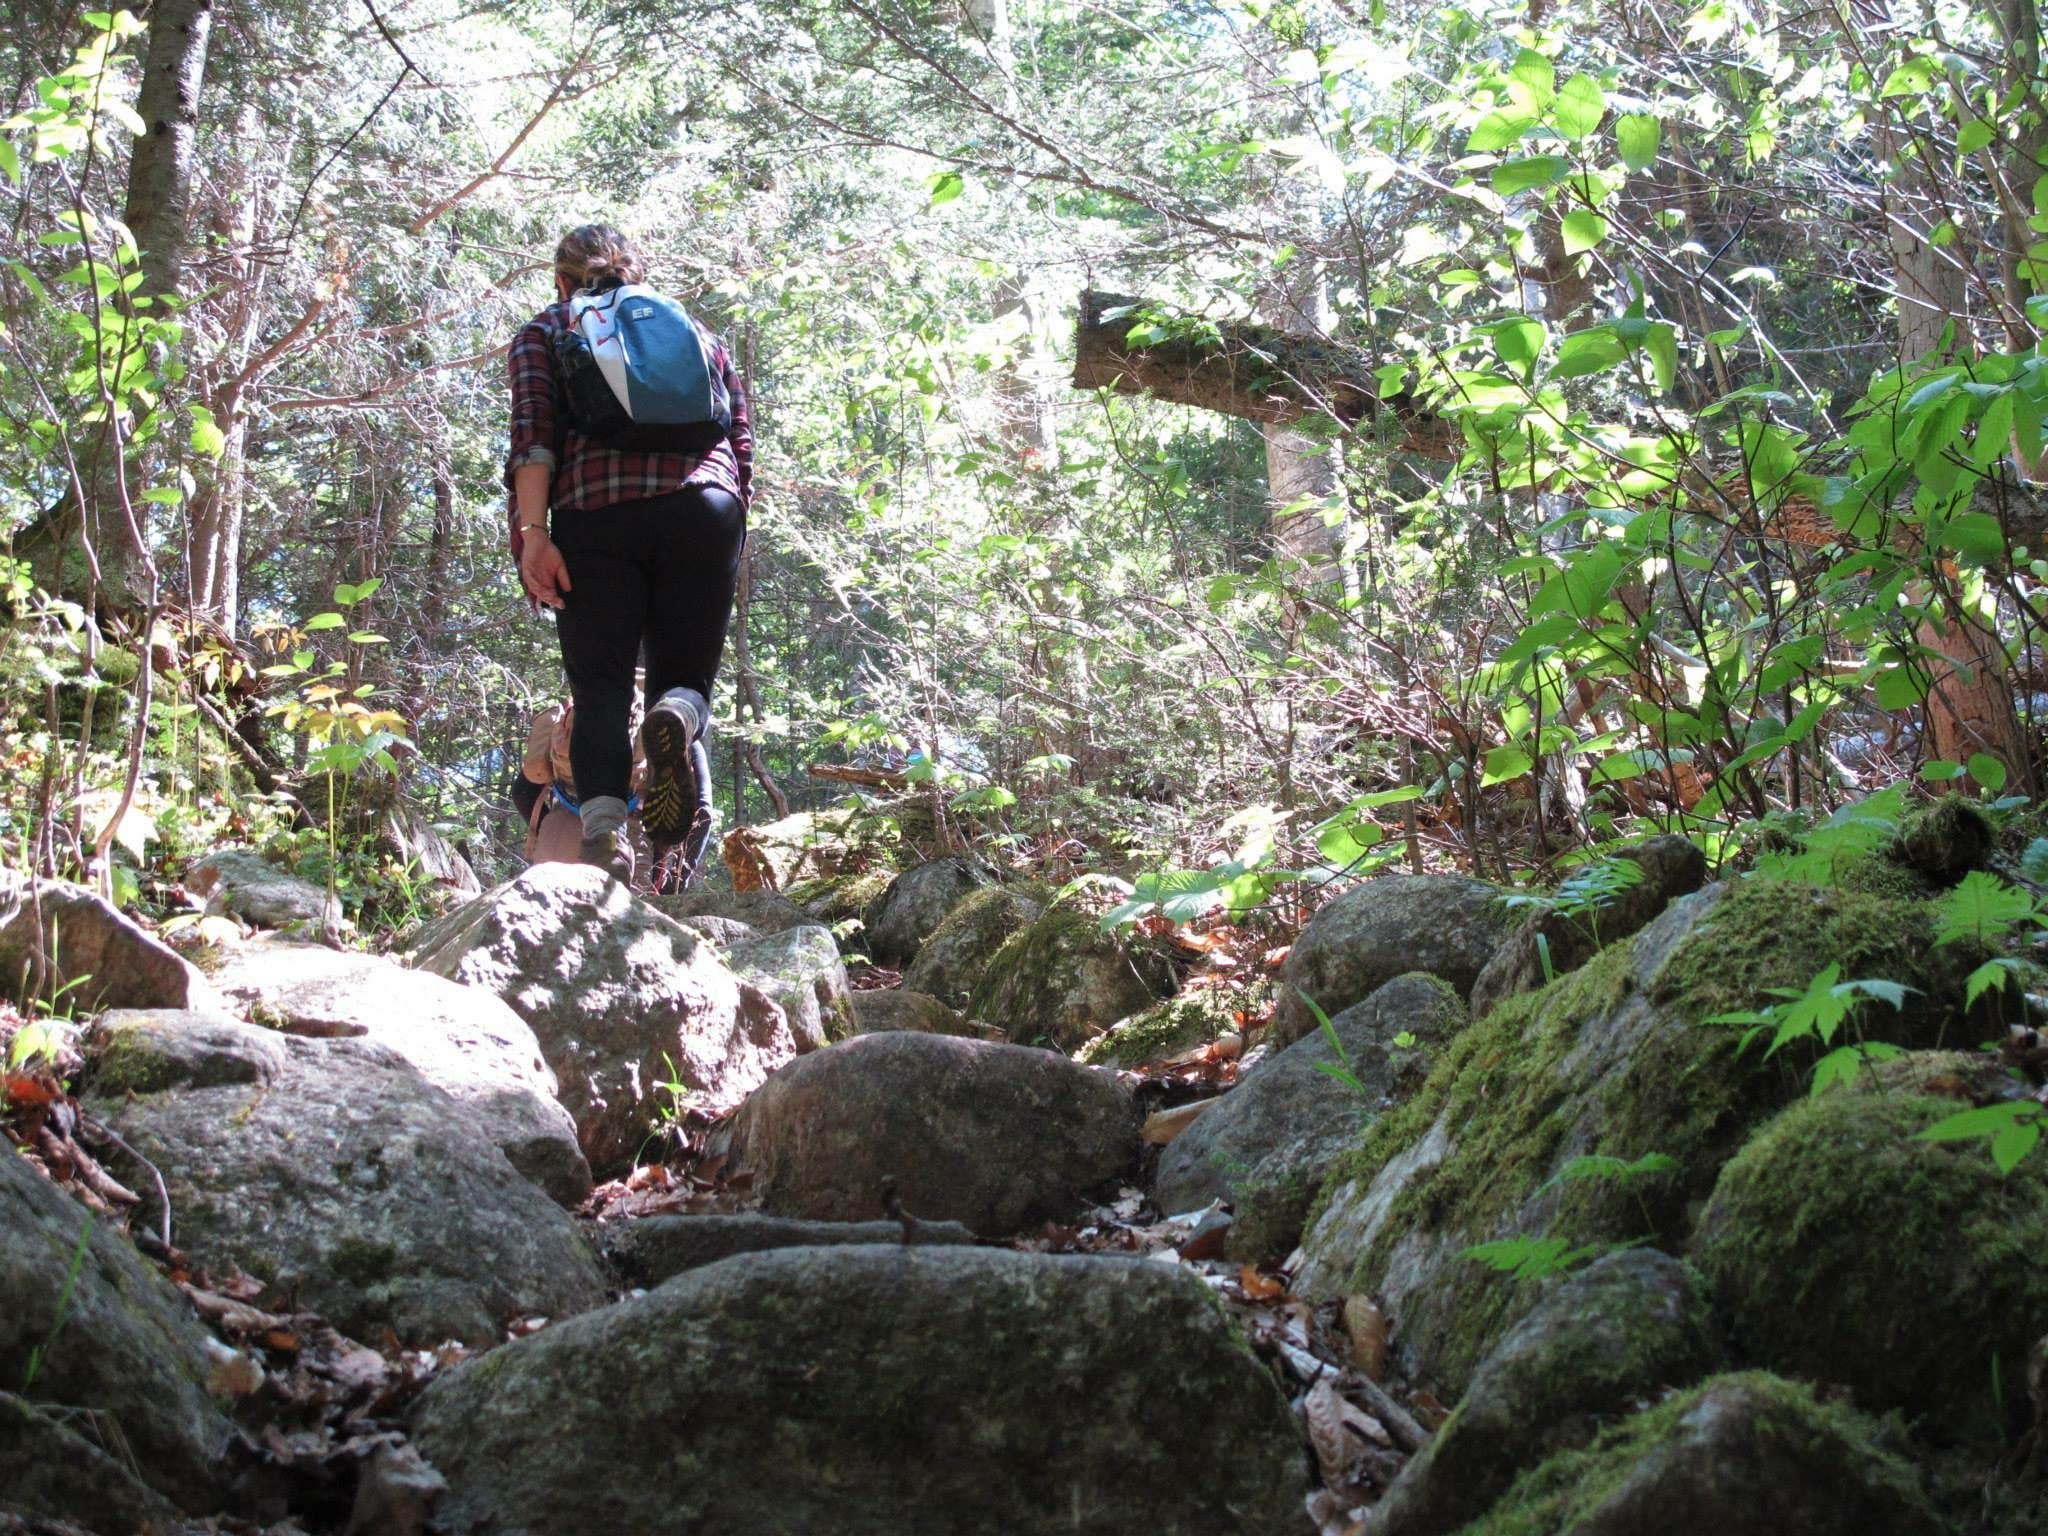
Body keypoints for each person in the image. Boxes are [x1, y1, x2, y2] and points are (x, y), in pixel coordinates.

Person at [505, 225, 752, 883]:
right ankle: (675, 716)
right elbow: (741, 439)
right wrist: (727, 530)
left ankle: (605, 838)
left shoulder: (549, 327)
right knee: (682, 679)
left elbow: (534, 440)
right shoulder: (692, 331)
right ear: (634, 276)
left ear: (561, 280)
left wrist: (533, 535)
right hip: (706, 506)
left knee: (602, 688)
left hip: (597, 515)